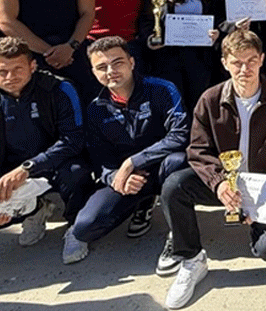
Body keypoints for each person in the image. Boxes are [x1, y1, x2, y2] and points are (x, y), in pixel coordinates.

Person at [159, 30, 266, 309]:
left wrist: (261, 199)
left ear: (262, 60)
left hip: (263, 188)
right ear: (225, 63)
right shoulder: (210, 100)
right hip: (225, 185)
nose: (244, 69)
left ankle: (255, 225)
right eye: (236, 62)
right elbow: (197, 151)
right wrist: (220, 183)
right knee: (175, 185)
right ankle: (191, 257)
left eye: (250, 61)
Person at [65, 36, 189, 264]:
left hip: (162, 168)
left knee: (178, 162)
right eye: (102, 67)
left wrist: (134, 162)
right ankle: (142, 203)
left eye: (117, 62)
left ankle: (179, 234)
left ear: (132, 62)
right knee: (84, 228)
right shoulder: (95, 109)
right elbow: (99, 159)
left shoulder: (162, 89)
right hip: (128, 178)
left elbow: (180, 135)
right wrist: (114, 178)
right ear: (93, 72)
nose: (111, 71)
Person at [0, 37, 93, 246]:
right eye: (2, 72)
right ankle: (34, 210)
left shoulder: (59, 89)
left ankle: (76, 227)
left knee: (76, 174)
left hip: (55, 164)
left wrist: (30, 168)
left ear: (32, 66)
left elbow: (73, 140)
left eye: (17, 69)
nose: (10, 77)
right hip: (11, 173)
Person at [144, 0, 225, 114]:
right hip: (169, 57)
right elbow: (147, 21)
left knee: (198, 102)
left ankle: (198, 137)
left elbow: (221, 18)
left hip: (200, 58)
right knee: (174, 103)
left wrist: (218, 33)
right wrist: (151, 40)